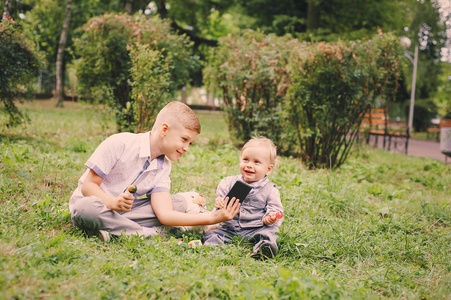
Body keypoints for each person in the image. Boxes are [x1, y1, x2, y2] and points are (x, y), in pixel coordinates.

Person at [69, 101, 240, 242]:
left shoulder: (163, 166)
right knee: (85, 208)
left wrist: (212, 218)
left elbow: (165, 214)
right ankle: (150, 233)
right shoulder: (120, 143)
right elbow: (88, 186)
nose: (186, 148)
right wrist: (112, 203)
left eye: (190, 143)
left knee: (176, 205)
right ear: (164, 130)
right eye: (184, 139)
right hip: (95, 207)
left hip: (131, 213)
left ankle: (113, 232)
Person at [202, 137, 284, 260]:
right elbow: (220, 204)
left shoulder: (271, 190)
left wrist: (271, 218)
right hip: (229, 228)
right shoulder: (228, 183)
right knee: (212, 234)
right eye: (246, 160)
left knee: (271, 232)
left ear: (268, 169)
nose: (249, 165)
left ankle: (265, 248)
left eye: (256, 162)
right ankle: (214, 248)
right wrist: (219, 204)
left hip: (256, 228)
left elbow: (276, 210)